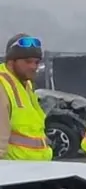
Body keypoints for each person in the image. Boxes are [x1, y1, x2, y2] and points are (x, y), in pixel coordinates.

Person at [2, 33, 52, 161]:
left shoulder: (26, 84)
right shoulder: (2, 86)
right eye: (27, 61)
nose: (33, 67)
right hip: (14, 170)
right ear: (10, 62)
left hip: (33, 167)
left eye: (36, 62)